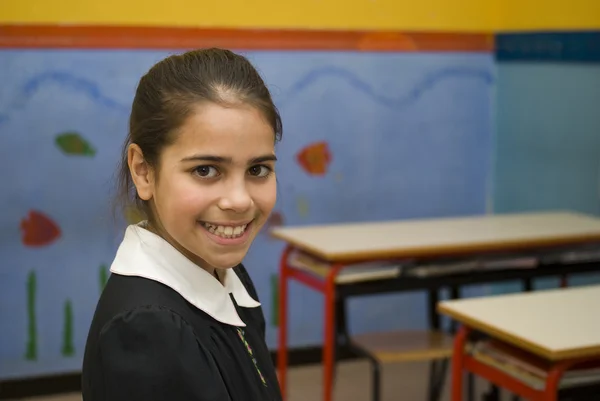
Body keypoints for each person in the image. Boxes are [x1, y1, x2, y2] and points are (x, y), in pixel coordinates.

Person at [81, 48, 283, 401]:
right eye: (205, 170)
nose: (239, 200)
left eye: (257, 169)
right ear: (143, 170)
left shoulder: (224, 271)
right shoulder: (148, 329)